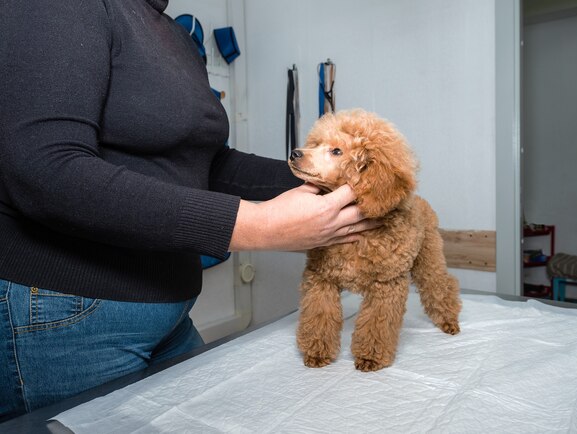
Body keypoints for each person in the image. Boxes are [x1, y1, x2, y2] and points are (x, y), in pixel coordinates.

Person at [0, 0, 376, 421]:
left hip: (170, 310)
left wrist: (339, 179)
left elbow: (208, 163)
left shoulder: (173, 35)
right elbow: (44, 170)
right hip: (69, 316)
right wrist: (258, 226)